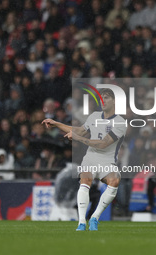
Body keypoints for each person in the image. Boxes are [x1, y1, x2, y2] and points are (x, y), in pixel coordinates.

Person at [42, 88, 127, 231]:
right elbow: (79, 130)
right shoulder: (94, 116)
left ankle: (94, 218)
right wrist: (56, 123)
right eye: (101, 98)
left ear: (114, 101)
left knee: (115, 181)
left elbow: (102, 144)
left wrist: (78, 138)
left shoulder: (120, 122)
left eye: (106, 97)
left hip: (107, 160)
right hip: (91, 158)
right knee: (85, 180)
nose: (103, 100)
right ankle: (81, 222)